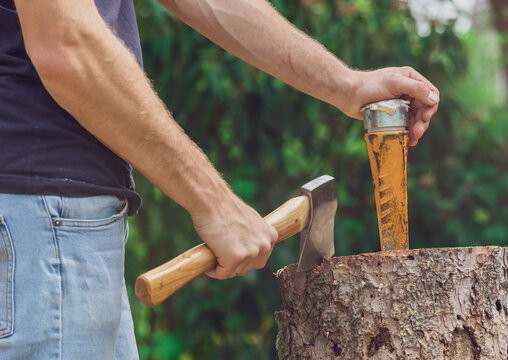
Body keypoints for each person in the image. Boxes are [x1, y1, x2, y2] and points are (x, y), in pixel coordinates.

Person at [0, 0, 439, 358]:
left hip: (57, 226)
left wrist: (346, 85)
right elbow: (66, 42)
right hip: (37, 222)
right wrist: (214, 203)